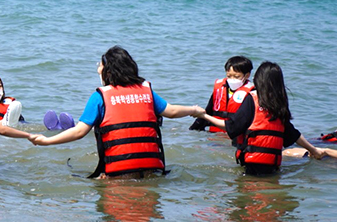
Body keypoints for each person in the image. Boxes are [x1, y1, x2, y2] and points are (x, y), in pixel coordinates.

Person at [30, 46, 202, 179]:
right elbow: (171, 111)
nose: (98, 69)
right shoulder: (146, 91)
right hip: (152, 170)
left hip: (118, 174)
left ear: (109, 71)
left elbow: (79, 131)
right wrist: (194, 110)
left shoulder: (100, 97)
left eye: (100, 65)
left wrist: (47, 140)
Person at [194, 61, 325, 175]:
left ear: (258, 79)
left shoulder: (252, 99)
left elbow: (231, 126)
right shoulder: (279, 105)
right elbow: (292, 133)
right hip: (272, 165)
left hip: (252, 165)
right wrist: (313, 150)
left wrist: (204, 116)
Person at [190, 56, 254, 145]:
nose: (232, 79)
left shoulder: (251, 94)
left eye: (236, 76)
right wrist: (192, 131)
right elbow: (208, 111)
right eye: (229, 76)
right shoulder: (220, 89)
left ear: (247, 75)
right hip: (214, 136)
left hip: (235, 138)